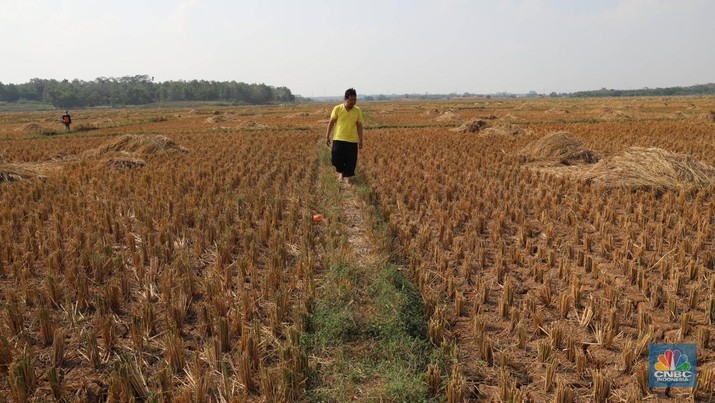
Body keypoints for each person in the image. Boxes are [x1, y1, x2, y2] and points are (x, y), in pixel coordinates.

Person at [325, 88, 363, 184]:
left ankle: (348, 177)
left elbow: (359, 125)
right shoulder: (337, 108)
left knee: (351, 160)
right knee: (336, 159)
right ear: (345, 99)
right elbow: (331, 122)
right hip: (338, 138)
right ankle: (341, 172)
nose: (353, 102)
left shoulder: (357, 111)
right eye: (351, 99)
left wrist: (361, 140)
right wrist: (327, 136)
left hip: (352, 140)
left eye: (354, 99)